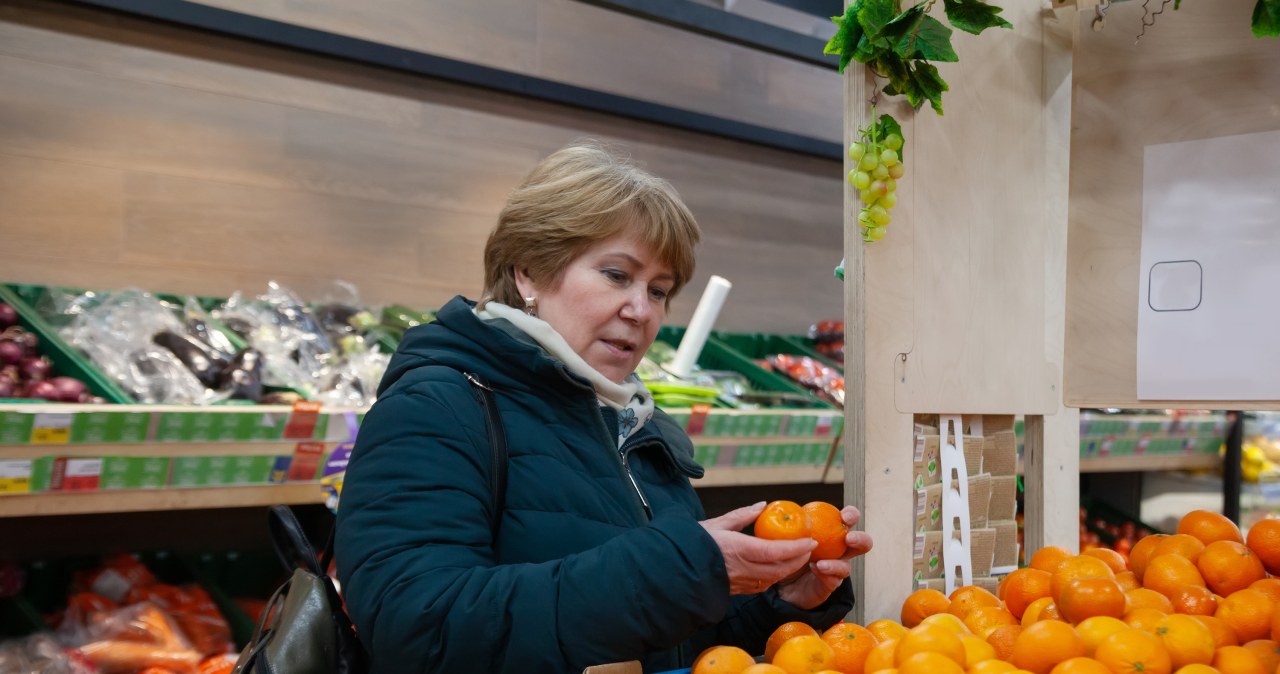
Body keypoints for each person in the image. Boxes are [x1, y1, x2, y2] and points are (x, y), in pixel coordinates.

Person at [335, 141, 872, 673]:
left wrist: (777, 601)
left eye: (659, 290)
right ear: (528, 272)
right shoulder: (437, 408)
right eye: (617, 275)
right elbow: (416, 630)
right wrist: (677, 570)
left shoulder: (634, 424)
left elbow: (664, 638)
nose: (641, 310)